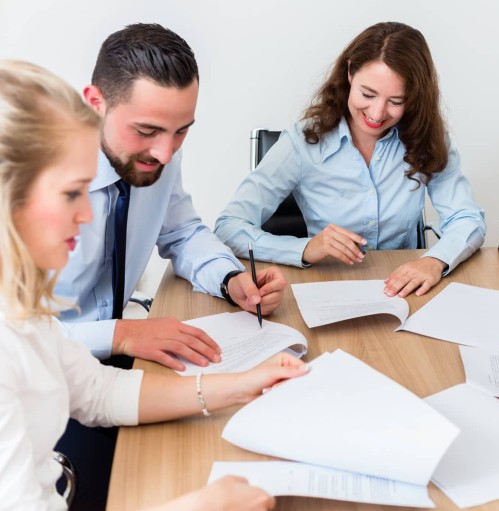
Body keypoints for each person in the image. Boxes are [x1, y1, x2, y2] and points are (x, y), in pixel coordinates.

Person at [0, 59, 305, 511]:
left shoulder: (20, 306)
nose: (87, 215)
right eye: (70, 194)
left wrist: (245, 384)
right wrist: (202, 507)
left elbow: (99, 391)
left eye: (181, 131)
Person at [55, 23, 287, 370]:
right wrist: (119, 335)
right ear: (95, 104)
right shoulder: (26, 177)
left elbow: (181, 232)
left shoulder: (155, 154)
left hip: (111, 359)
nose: (165, 153)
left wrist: (229, 279)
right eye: (147, 131)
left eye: (181, 131)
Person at [215, 22, 486, 298]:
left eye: (396, 101)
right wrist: (306, 248)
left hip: (406, 292)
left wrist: (434, 260)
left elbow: (467, 218)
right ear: (349, 74)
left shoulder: (427, 138)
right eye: (367, 94)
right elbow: (229, 226)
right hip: (327, 289)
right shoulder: (302, 142)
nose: (377, 113)